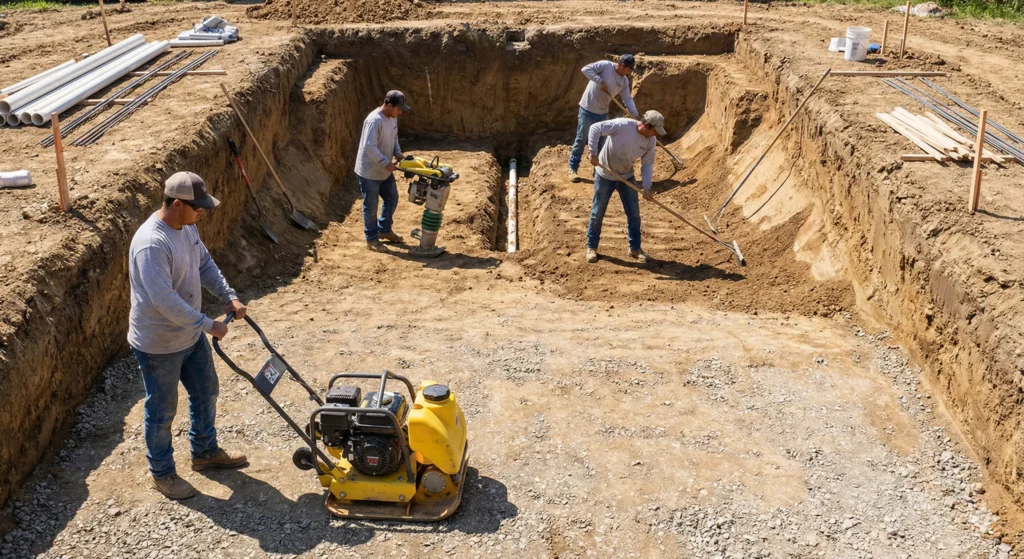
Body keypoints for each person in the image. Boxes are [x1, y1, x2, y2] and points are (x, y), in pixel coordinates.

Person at [128, 171, 248, 500]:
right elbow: (165, 301)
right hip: (159, 344)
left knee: (206, 392)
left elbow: (204, 264)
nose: (203, 212)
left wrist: (228, 295)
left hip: (190, 337)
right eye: (198, 207)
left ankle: (205, 452)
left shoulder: (188, 227)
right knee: (162, 411)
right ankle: (162, 473)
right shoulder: (152, 244)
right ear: (177, 204)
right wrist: (208, 324)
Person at [585, 110, 667, 264]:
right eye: (655, 131)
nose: (656, 134)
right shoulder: (622, 125)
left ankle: (635, 249)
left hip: (626, 176)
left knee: (634, 214)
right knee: (597, 213)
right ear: (646, 126)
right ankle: (591, 247)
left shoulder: (650, 141)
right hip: (604, 175)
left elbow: (647, 164)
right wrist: (593, 153)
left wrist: (647, 187)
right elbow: (595, 128)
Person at [568, 54, 640, 183]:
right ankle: (573, 168)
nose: (630, 72)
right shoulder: (605, 66)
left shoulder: (624, 81)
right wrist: (599, 81)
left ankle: (598, 171)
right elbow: (585, 69)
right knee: (581, 139)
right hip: (587, 109)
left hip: (603, 113)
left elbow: (627, 99)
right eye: (629, 69)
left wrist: (634, 115)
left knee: (602, 143)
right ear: (622, 65)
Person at [355, 90, 410, 252]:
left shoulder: (393, 118)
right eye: (398, 109)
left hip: (384, 170)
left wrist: (398, 153)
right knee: (371, 206)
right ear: (389, 105)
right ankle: (372, 239)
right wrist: (386, 162)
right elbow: (369, 147)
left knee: (392, 198)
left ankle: (384, 230)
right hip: (369, 172)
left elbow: (394, 138)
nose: (400, 112)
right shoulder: (374, 121)